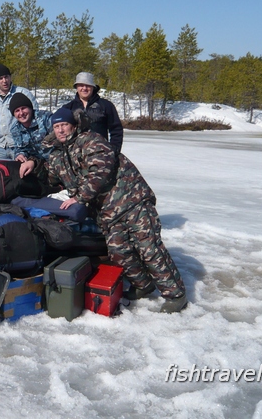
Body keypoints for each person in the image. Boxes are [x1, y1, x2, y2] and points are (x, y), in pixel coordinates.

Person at [44, 108, 187, 313]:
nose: (61, 130)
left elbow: (101, 169)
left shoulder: (90, 140)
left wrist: (79, 197)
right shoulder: (57, 156)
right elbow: (50, 179)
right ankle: (143, 286)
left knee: (149, 248)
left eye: (64, 125)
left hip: (132, 200)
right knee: (119, 252)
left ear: (73, 126)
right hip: (108, 213)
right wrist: (29, 163)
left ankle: (176, 295)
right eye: (56, 127)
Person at [62, 72, 123, 154]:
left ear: (93, 87)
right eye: (81, 85)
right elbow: (61, 131)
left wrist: (114, 150)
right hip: (75, 154)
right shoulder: (68, 108)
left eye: (88, 85)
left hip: (100, 153)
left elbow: (116, 130)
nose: (84, 88)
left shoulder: (106, 105)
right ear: (76, 87)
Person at [8, 93, 53, 179]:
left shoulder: (45, 118)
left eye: (23, 108)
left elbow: (60, 142)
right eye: (17, 111)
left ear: (30, 108)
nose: (21, 113)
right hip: (37, 164)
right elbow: (20, 148)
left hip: (55, 161)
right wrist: (20, 155)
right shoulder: (15, 129)